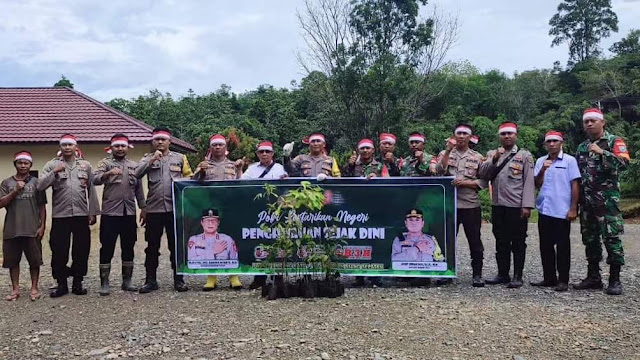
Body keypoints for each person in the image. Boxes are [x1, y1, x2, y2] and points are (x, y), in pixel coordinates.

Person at [574, 108, 630, 295]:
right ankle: (593, 277)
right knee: (590, 240)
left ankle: (615, 279)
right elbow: (579, 176)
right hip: (587, 203)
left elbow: (625, 164)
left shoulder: (614, 141)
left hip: (607, 203)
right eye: (586, 121)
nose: (589, 124)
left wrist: (602, 152)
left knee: (611, 239)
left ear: (602, 122)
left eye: (593, 121)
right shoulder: (582, 147)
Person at [38, 134, 100, 297]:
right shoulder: (52, 164)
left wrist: (92, 212)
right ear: (60, 147)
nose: (67, 147)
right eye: (64, 145)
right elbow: (40, 185)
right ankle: (61, 284)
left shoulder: (85, 165)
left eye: (70, 145)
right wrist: (54, 172)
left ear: (75, 146)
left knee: (81, 249)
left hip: (81, 214)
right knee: (59, 250)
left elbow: (91, 189)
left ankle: (78, 282)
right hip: (60, 215)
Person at [135, 127, 193, 293]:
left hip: (175, 208)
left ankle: (179, 279)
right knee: (152, 246)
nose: (160, 142)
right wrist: (152, 159)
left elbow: (189, 179)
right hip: (154, 209)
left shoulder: (180, 158)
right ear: (153, 142)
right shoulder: (147, 158)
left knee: (175, 246)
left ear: (170, 141)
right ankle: (150, 280)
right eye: (157, 139)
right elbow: (137, 175)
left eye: (163, 139)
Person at [481, 122, 535, 288]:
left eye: (510, 133)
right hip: (498, 205)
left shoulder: (524, 156)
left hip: (516, 206)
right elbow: (483, 174)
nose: (507, 136)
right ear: (499, 136)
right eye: (503, 134)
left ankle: (517, 276)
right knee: (501, 241)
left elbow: (529, 182)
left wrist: (527, 205)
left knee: (518, 241)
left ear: (515, 135)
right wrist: (494, 160)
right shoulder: (492, 153)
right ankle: (502, 274)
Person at [93, 134, 146, 295]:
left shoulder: (133, 165)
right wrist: (107, 174)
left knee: (128, 247)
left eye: (123, 146)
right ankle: (104, 282)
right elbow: (94, 179)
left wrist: (143, 207)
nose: (120, 149)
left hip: (128, 212)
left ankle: (127, 281)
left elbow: (138, 189)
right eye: (117, 146)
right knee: (107, 247)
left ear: (127, 147)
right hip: (110, 213)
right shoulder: (105, 163)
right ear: (111, 147)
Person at [436, 124, 488, 287]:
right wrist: (447, 151)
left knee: (474, 240)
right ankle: (447, 272)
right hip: (449, 204)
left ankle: (477, 274)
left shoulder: (477, 157)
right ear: (454, 135)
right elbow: (438, 171)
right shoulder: (445, 154)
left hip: (470, 205)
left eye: (465, 133)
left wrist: (466, 183)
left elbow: (484, 181)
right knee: (447, 240)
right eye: (458, 133)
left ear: (469, 137)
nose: (461, 136)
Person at [531, 131, 580, 292]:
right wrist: (543, 170)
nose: (552, 144)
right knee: (545, 246)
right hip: (545, 210)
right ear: (545, 145)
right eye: (549, 142)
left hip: (562, 210)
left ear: (561, 143)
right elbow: (536, 184)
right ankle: (549, 277)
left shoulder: (569, 161)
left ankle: (563, 280)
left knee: (562, 246)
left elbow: (575, 185)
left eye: (555, 141)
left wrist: (573, 208)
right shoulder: (540, 161)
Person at [193, 133, 244, 291]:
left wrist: (240, 169)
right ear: (210, 148)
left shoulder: (232, 165)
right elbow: (194, 182)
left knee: (231, 240)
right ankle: (211, 276)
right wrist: (200, 171)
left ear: (225, 148)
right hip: (211, 207)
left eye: (220, 145)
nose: (217, 147)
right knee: (211, 240)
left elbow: (240, 184)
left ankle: (233, 275)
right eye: (214, 145)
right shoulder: (204, 164)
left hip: (230, 206)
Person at [240, 141, 287, 289]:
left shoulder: (279, 168)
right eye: (261, 152)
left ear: (272, 154)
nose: (264, 154)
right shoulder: (252, 169)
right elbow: (241, 183)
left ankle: (278, 276)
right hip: (257, 211)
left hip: (276, 211)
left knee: (278, 241)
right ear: (257, 154)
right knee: (259, 242)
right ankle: (259, 278)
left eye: (267, 151)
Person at [0, 151, 46, 301]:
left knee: (34, 260)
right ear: (15, 164)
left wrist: (42, 225)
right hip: (12, 229)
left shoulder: (37, 183)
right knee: (13, 261)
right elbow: (1, 203)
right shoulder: (6, 183)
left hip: (32, 228)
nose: (23, 165)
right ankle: (15, 289)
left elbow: (42, 207)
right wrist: (15, 191)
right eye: (20, 162)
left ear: (30, 165)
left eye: (26, 163)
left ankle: (34, 288)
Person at [343, 138, 388, 287]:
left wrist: (378, 179)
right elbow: (343, 181)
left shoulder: (380, 165)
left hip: (376, 206)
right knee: (357, 239)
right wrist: (349, 166)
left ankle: (376, 275)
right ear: (358, 150)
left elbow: (388, 181)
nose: (365, 151)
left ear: (373, 150)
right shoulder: (352, 165)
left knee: (376, 238)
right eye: (362, 148)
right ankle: (359, 275)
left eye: (368, 148)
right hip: (356, 207)